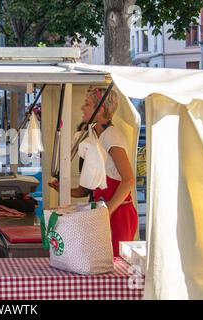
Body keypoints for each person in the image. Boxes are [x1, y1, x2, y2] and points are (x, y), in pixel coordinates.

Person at [49, 87, 137, 257]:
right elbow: (87, 189)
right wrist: (63, 189)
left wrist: (107, 211)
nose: (82, 108)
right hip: (103, 212)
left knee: (114, 269)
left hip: (119, 215)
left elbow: (129, 180)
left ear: (101, 108)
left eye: (87, 104)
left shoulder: (112, 136)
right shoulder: (95, 137)